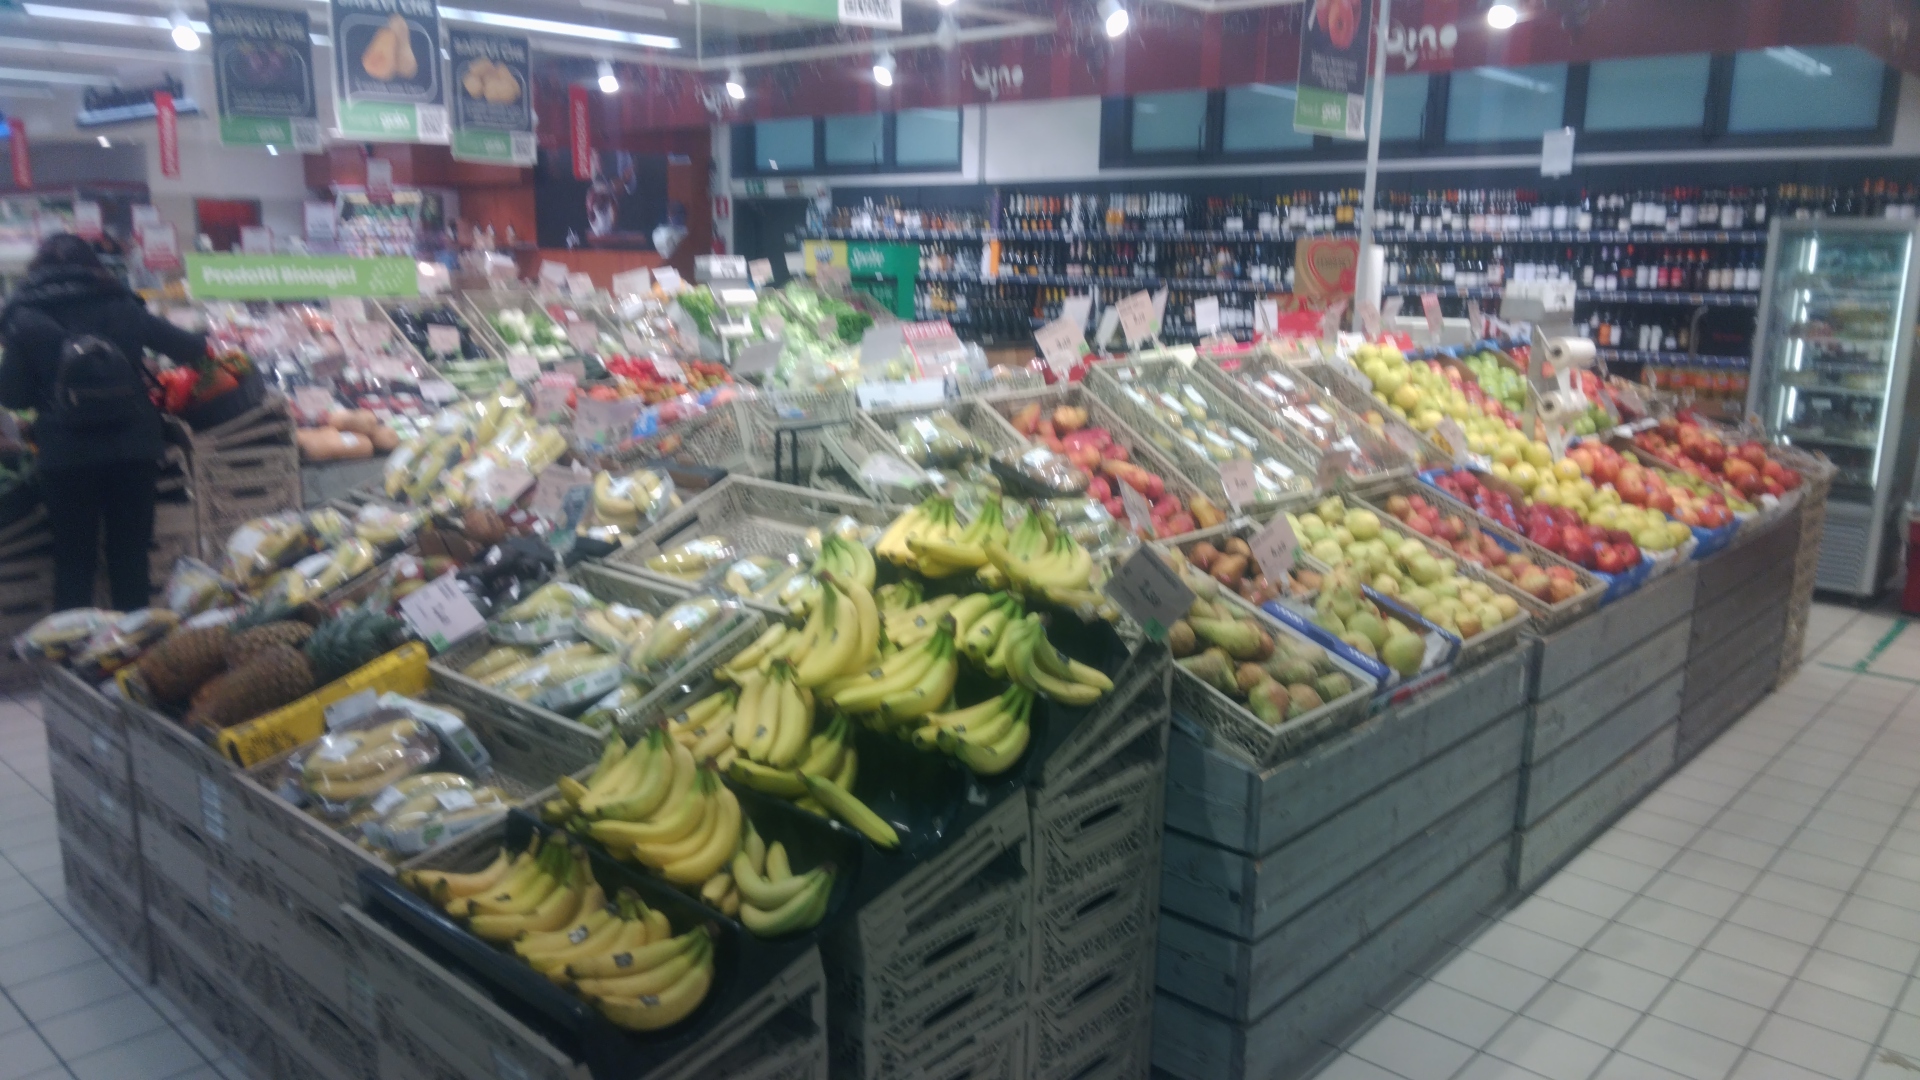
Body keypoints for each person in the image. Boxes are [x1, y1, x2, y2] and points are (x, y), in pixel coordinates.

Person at [0, 233, 208, 611]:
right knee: (130, 559)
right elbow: (190, 348)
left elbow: (13, 395)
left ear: (37, 268)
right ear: (92, 265)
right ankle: (133, 640)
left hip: (66, 454)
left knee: (73, 563)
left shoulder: (24, 317)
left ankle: (75, 643)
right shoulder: (119, 303)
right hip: (132, 448)